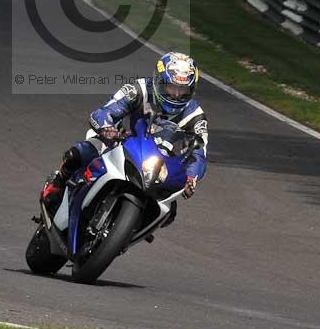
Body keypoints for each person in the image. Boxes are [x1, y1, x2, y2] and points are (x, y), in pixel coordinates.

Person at [41, 51, 208, 213]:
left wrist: (191, 177)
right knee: (77, 154)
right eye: (172, 87)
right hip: (119, 143)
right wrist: (107, 128)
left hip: (157, 166)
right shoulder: (139, 89)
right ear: (159, 82)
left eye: (183, 90)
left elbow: (199, 153)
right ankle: (57, 183)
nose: (177, 95)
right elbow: (107, 110)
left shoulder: (195, 115)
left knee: (169, 211)